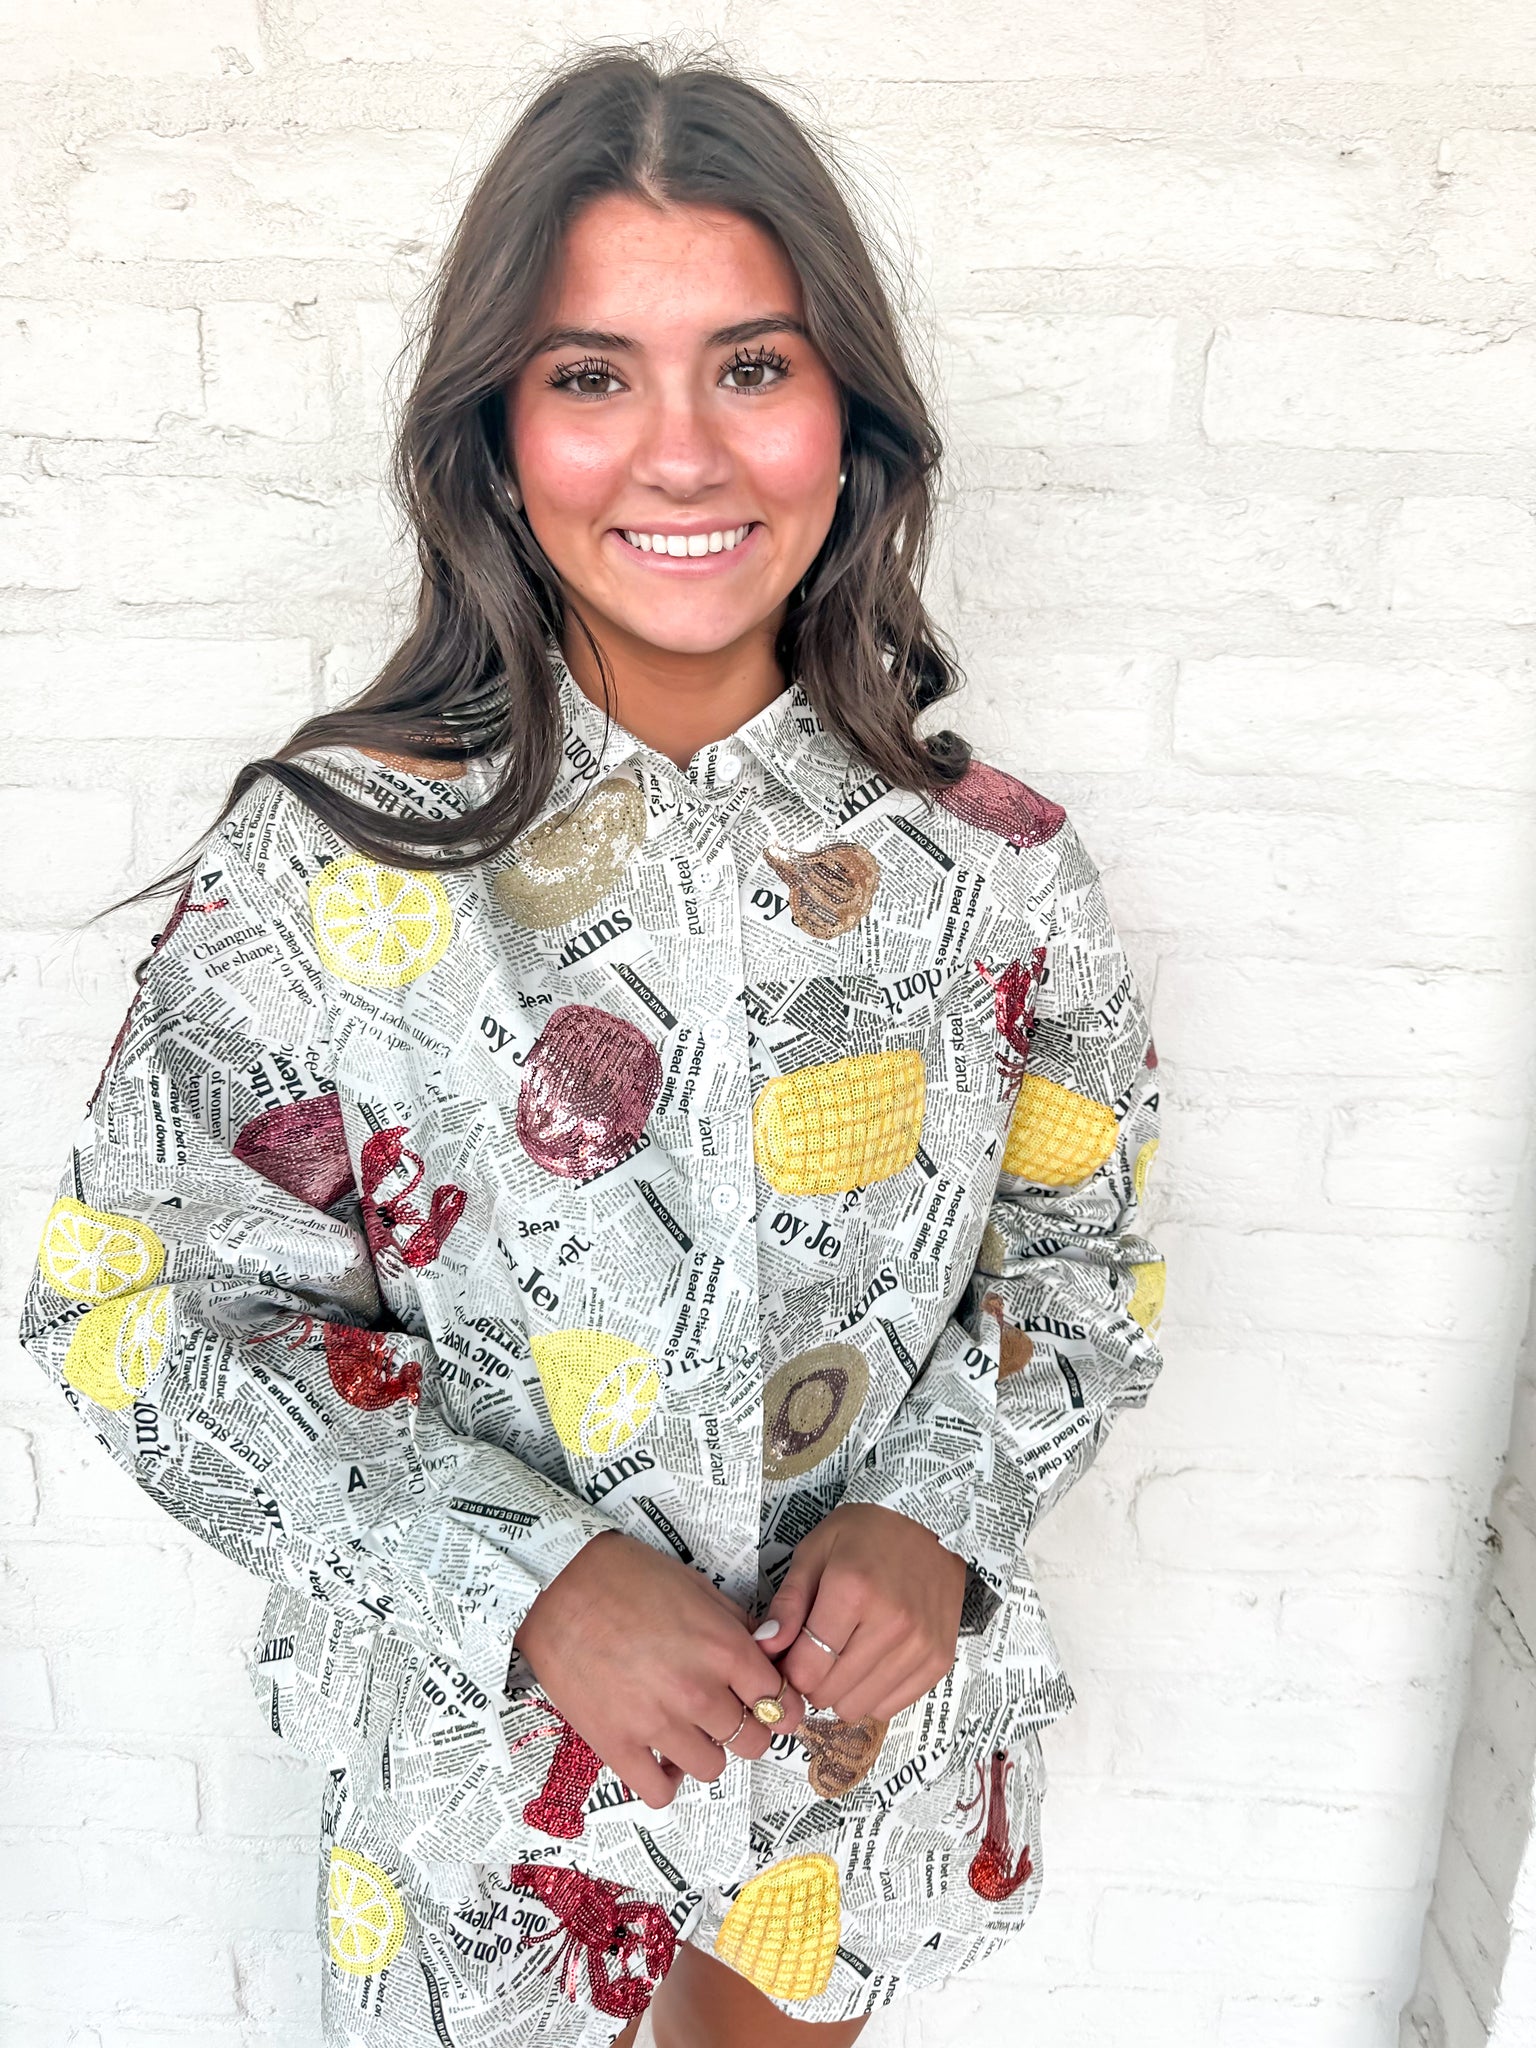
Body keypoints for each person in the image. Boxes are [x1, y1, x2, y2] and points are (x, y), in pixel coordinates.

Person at [19, 44, 1166, 2048]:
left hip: (845, 1779)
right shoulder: (336, 865)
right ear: (498, 431)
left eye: (751, 365)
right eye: (591, 375)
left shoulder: (1000, 879)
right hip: (481, 1786)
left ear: (848, 417)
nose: (682, 455)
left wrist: (937, 1510)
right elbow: (134, 1304)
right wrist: (526, 1574)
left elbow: (1081, 1266)